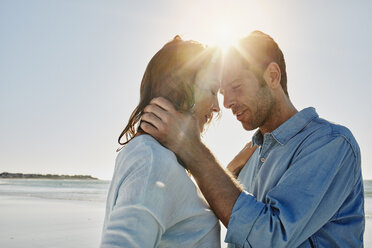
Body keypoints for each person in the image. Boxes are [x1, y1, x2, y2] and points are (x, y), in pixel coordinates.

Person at [141, 31, 365, 247]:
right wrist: (228, 170)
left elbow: (268, 238)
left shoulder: (331, 144)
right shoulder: (249, 159)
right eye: (221, 92)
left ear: (272, 76)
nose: (226, 103)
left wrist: (191, 148)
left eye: (236, 87)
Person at [100, 36, 222, 247]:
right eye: (212, 91)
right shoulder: (152, 160)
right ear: (182, 88)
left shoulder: (155, 156)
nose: (217, 107)